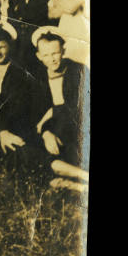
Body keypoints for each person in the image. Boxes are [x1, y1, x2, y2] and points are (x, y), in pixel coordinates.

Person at [30, 27, 90, 169]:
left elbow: (73, 107)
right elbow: (37, 107)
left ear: (63, 51)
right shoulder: (39, 76)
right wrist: (45, 132)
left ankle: (73, 174)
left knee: (67, 144)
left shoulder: (77, 70)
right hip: (51, 124)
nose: (51, 59)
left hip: (73, 122)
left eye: (55, 53)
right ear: (38, 56)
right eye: (46, 55)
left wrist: (44, 126)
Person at [0, 20, 34, 171]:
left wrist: (3, 129)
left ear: (9, 45)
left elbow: (17, 106)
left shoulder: (19, 71)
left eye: (2, 47)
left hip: (15, 122)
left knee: (17, 152)